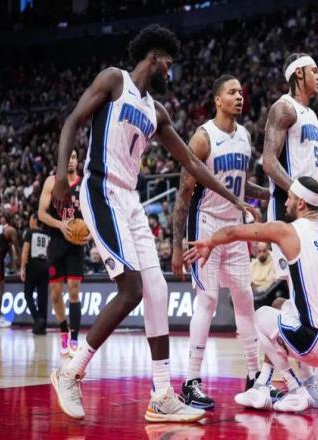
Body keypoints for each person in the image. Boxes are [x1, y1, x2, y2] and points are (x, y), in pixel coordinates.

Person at [50, 24, 256, 423]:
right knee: (131, 290)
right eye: (169, 65)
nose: (170, 73)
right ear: (155, 58)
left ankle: (161, 395)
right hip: (101, 188)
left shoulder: (156, 111)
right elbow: (72, 122)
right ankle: (71, 372)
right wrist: (61, 176)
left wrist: (234, 198)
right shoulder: (114, 80)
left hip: (129, 198)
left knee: (157, 290)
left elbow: (191, 161)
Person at [185, 177, 318, 412]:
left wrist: (210, 242)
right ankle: (274, 384)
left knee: (259, 316)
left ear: (301, 203)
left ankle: (296, 389)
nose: (285, 204)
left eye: (290, 199)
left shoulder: (288, 231)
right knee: (280, 304)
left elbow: (234, 232)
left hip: (316, 345)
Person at [171, 75, 269, 409]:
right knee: (208, 299)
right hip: (205, 224)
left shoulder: (245, 135)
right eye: (232, 92)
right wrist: (176, 245)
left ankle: (254, 376)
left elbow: (239, 186)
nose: (239, 97)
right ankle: (190, 381)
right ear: (217, 100)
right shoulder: (202, 138)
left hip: (234, 227)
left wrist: (268, 193)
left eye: (241, 92)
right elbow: (184, 193)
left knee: (245, 297)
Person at [261, 53, 318, 407]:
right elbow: (269, 161)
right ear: (298, 73)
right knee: (300, 297)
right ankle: (306, 380)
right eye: (315, 70)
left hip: (310, 209)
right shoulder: (283, 108)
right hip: (288, 212)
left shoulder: (310, 114)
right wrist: (297, 193)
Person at [38, 150, 87, 355]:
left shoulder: (85, 184)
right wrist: (60, 225)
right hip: (56, 242)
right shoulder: (52, 182)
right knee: (56, 294)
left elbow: (95, 214)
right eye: (68, 156)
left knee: (74, 290)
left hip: (76, 243)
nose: (71, 160)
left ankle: (74, 338)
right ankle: (64, 331)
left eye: (74, 157)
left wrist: (90, 234)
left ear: (78, 161)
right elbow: (41, 214)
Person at [20, 213, 50, 334]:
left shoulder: (30, 233)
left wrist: (23, 268)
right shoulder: (46, 234)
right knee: (42, 297)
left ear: (34, 220)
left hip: (33, 265)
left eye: (30, 219)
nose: (29, 222)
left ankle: (37, 319)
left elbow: (25, 251)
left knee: (28, 294)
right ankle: (42, 327)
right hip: (45, 265)